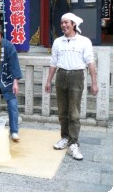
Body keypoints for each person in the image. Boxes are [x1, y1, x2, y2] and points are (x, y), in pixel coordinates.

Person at [45, 12, 98, 161]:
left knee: (73, 112)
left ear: (73, 24)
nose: (63, 25)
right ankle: (65, 137)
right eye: (62, 23)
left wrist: (94, 82)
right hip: (61, 75)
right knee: (62, 111)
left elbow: (90, 63)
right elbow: (53, 63)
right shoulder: (57, 42)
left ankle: (74, 143)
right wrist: (49, 80)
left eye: (66, 22)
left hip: (76, 76)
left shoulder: (84, 41)